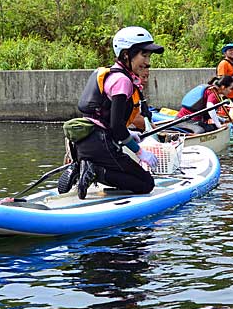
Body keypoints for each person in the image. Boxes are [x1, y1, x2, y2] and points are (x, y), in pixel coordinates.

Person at [59, 26, 161, 199]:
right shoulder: (123, 81)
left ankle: (82, 166)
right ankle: (95, 170)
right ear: (126, 54)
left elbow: (104, 119)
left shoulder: (114, 75)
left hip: (87, 144)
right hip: (100, 145)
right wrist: (139, 152)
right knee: (146, 184)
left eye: (149, 56)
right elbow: (116, 127)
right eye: (143, 55)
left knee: (135, 178)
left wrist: (129, 132)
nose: (148, 61)